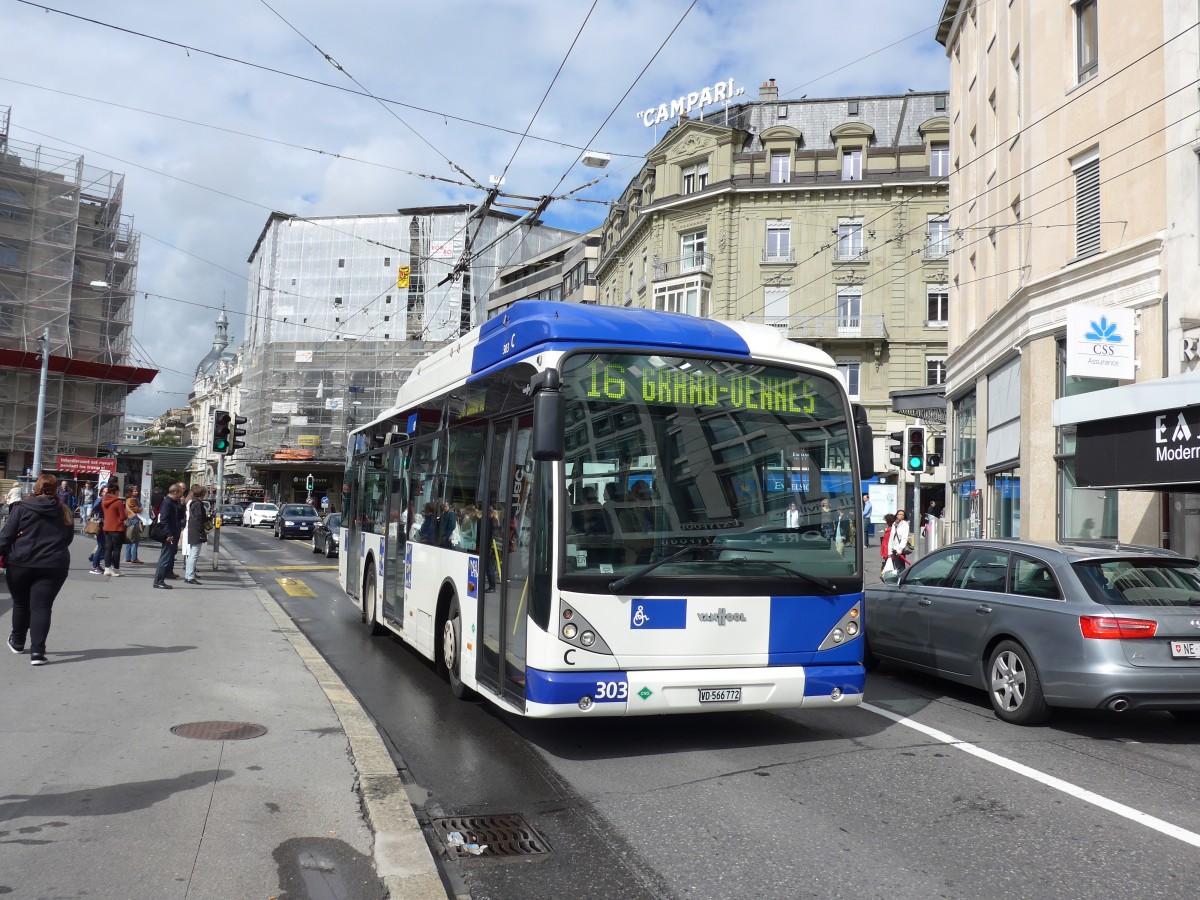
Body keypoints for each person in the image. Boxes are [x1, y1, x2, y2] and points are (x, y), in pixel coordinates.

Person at [2, 474, 75, 666]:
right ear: (56, 488)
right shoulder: (64, 510)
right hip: (53, 564)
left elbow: (6, 536)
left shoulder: (21, 508)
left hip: (21, 563)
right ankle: (37, 652)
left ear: (36, 487)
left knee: (20, 604)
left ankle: (17, 642)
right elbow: (67, 538)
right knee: (42, 607)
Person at [153, 482, 185, 590]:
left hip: (173, 533)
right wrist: (169, 534)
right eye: (180, 493)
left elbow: (180, 516)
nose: (181, 495)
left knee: (167, 557)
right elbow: (164, 519)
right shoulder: (167, 503)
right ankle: (158, 581)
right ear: (175, 492)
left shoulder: (174, 502)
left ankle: (160, 580)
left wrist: (181, 504)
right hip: (169, 535)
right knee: (165, 558)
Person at [183, 486, 209, 584]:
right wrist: (202, 532)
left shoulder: (193, 502)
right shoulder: (198, 504)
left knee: (192, 554)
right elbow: (198, 519)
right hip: (196, 531)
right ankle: (190, 576)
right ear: (202, 494)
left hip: (193, 530)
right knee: (194, 554)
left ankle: (189, 575)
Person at [100, 483, 127, 576]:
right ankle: (116, 569)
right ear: (115, 491)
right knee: (117, 550)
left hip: (107, 527)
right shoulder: (118, 502)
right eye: (118, 491)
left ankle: (107, 569)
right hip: (117, 528)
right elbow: (123, 517)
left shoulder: (104, 500)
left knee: (108, 548)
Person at [87, 485, 106, 574]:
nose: (106, 493)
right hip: (100, 525)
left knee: (102, 546)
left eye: (107, 492)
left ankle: (97, 565)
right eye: (104, 492)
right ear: (101, 492)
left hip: (103, 524)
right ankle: (94, 566)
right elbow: (95, 508)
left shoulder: (103, 500)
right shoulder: (100, 499)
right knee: (101, 545)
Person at [124, 485, 145, 564]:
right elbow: (137, 510)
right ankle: (134, 557)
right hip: (134, 518)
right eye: (135, 491)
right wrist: (141, 509)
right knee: (135, 539)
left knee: (129, 537)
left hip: (129, 518)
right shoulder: (132, 500)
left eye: (137, 491)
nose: (137, 492)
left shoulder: (128, 499)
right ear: (131, 492)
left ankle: (128, 557)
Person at [888, 508, 911, 573]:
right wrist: (889, 550)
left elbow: (904, 538)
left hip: (900, 549)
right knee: (895, 566)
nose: (901, 516)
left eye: (902, 515)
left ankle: (901, 579)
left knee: (901, 567)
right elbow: (891, 537)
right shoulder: (894, 524)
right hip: (894, 548)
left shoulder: (905, 524)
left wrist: (900, 549)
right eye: (899, 514)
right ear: (896, 515)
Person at [879, 513, 896, 577]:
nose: (886, 522)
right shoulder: (888, 529)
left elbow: (889, 541)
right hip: (885, 548)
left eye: (886, 521)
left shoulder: (891, 530)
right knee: (887, 562)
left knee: (889, 563)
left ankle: (885, 574)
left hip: (888, 549)